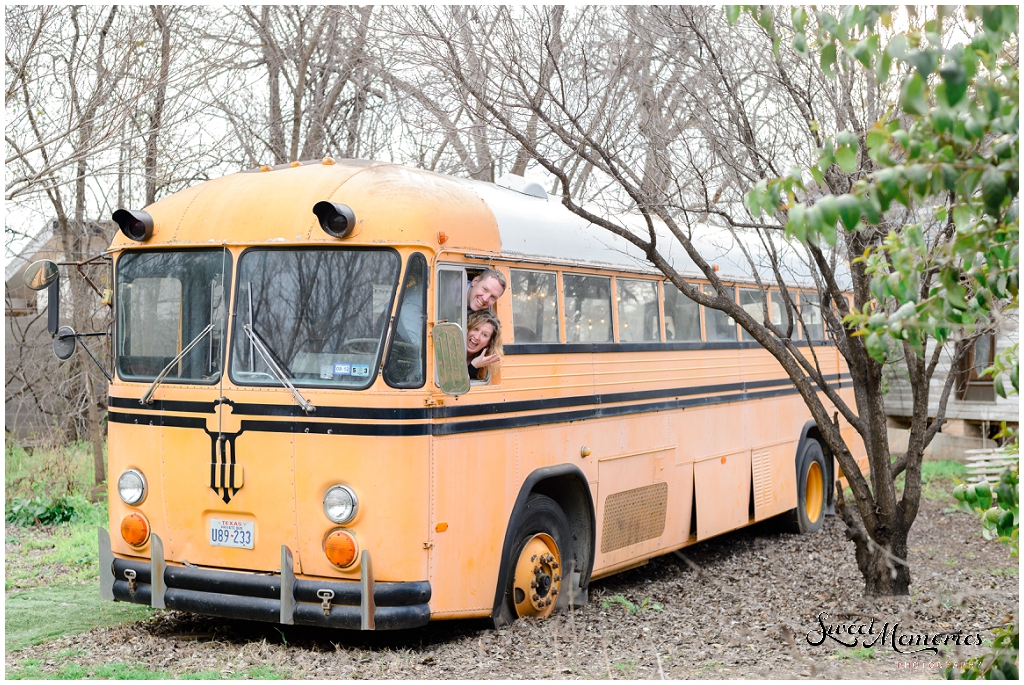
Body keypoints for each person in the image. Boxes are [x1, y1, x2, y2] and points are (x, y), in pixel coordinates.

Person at [465, 310, 502, 381]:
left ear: (489, 343)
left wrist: (474, 366)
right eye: (476, 329)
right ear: (468, 329)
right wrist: (473, 366)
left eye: (484, 335)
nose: (476, 337)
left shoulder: (485, 366)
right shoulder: (450, 350)